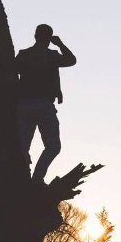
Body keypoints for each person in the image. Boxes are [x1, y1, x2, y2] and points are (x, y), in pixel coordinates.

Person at [16, 23, 77, 183]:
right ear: (49, 38)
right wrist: (60, 44)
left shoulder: (24, 54)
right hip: (43, 105)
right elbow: (71, 60)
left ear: (35, 36)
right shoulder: (52, 56)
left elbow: (11, 71)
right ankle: (36, 179)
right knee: (53, 147)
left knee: (22, 147)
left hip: (24, 105)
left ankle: (27, 179)